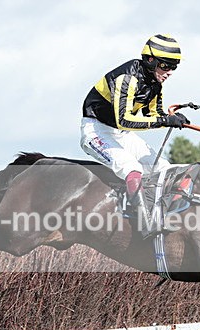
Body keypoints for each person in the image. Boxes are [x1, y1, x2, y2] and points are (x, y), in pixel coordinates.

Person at [80, 34, 189, 238]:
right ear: (151, 60)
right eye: (166, 65)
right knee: (132, 168)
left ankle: (168, 214)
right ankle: (145, 225)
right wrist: (164, 121)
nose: (170, 72)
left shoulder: (155, 84)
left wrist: (173, 118)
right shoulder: (127, 78)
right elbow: (124, 120)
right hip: (96, 130)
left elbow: (154, 114)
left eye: (174, 67)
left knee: (165, 169)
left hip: (121, 134)